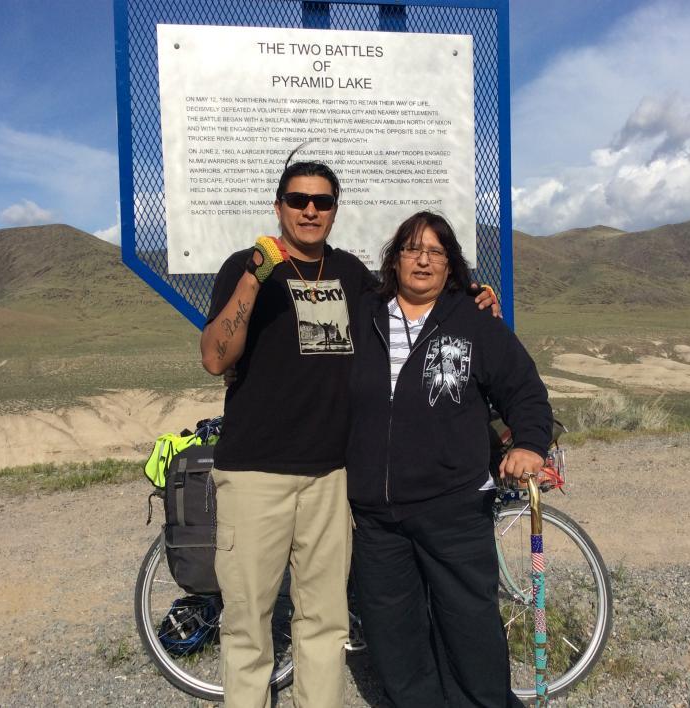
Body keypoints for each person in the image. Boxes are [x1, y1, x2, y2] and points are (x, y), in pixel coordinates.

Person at [200, 149, 500, 707]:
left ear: (334, 210)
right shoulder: (245, 267)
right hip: (253, 473)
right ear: (279, 206)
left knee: (324, 622)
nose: (310, 210)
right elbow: (216, 358)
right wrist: (252, 279)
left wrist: (470, 299)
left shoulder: (350, 274)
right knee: (248, 624)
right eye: (298, 200)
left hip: (331, 477)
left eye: (322, 201)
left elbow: (414, 299)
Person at [345, 211, 553, 708]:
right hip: (377, 515)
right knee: (393, 631)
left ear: (450, 265)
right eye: (411, 249)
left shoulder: (474, 322)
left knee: (468, 626)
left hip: (452, 507)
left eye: (435, 251)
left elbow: (525, 391)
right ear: (393, 260)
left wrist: (528, 444)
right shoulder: (362, 317)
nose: (422, 259)